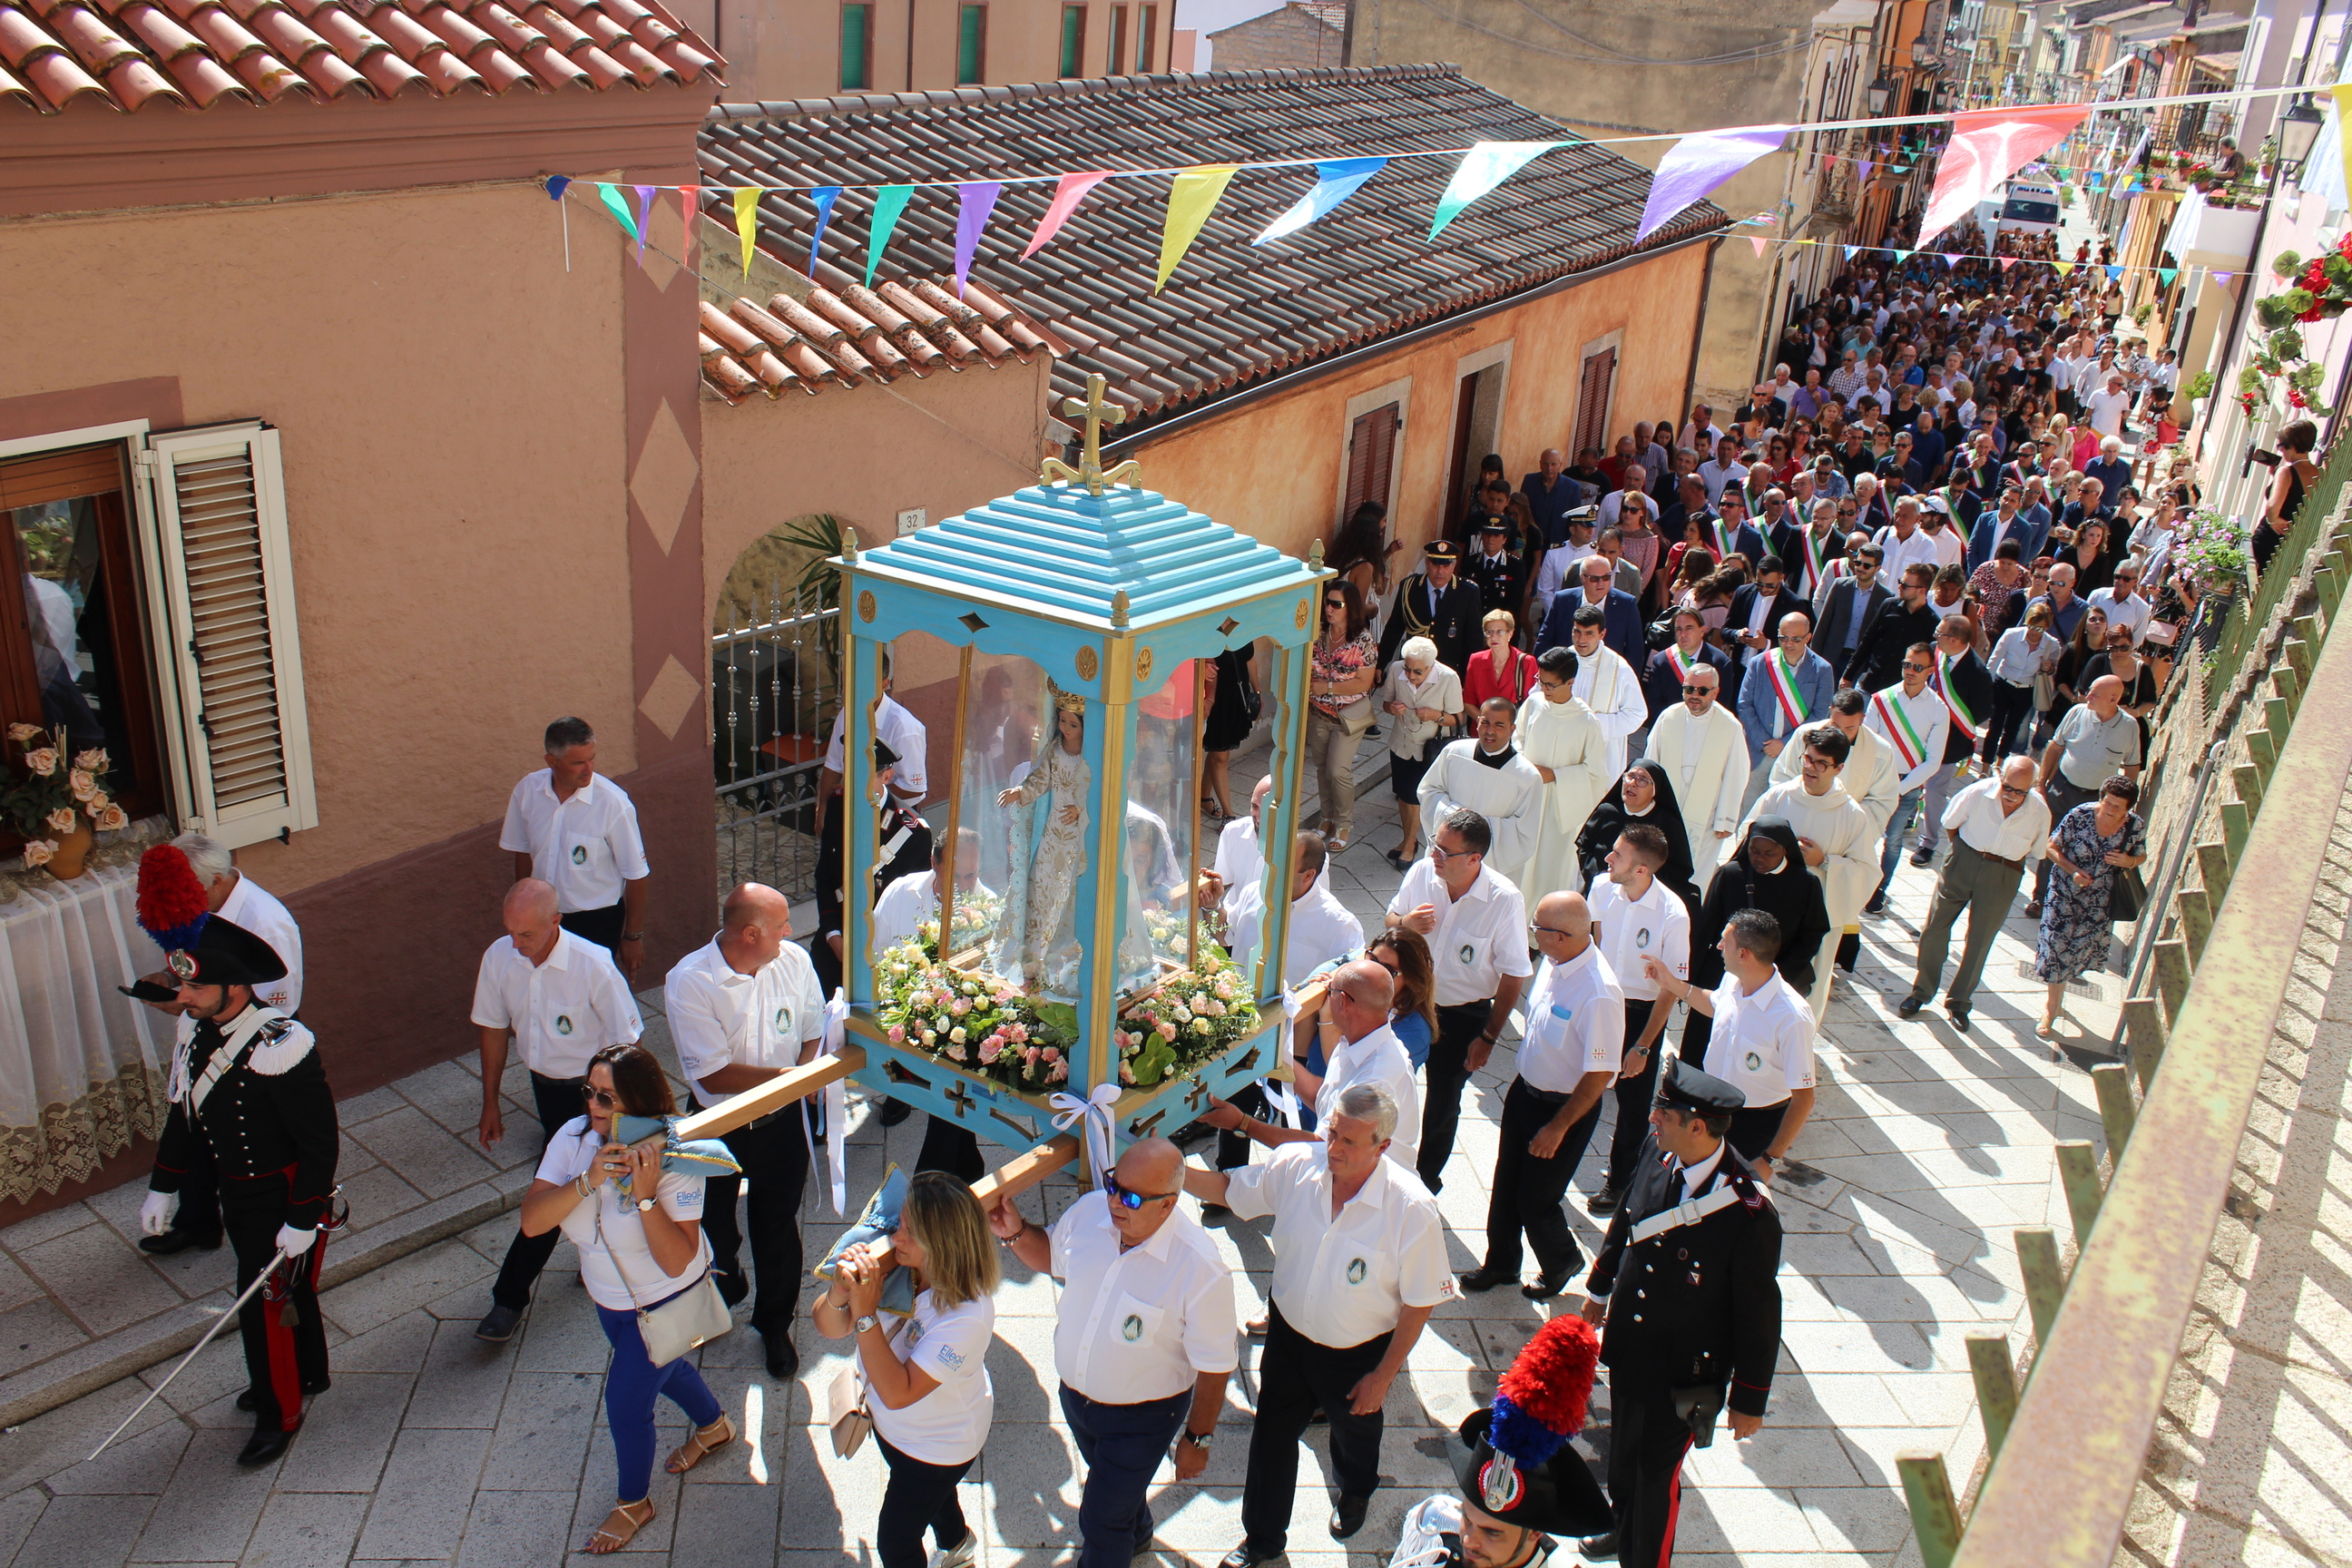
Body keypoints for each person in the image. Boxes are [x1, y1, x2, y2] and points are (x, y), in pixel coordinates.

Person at [1188, 1083, 1451, 1562]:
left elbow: (1420, 1302)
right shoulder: (1297, 1165)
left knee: (1354, 1435)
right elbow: (1231, 1189)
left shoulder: (1411, 1209)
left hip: (1358, 1354)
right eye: (1331, 1133)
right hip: (1288, 1338)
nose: (1332, 1149)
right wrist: (1172, 1174)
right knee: (1271, 1437)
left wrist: (1382, 1377)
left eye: (1349, 1142)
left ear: (1383, 1147)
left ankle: (1356, 1489)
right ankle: (1262, 1539)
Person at [139, 899, 338, 1469]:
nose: (185, 997)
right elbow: (186, 1114)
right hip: (238, 1190)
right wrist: (164, 1185)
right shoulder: (200, 1032)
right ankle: (309, 1374)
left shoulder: (283, 1044)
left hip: (281, 1195)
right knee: (288, 1293)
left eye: (197, 989)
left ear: (235, 988)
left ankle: (280, 1414)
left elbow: (319, 1144)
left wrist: (303, 1217)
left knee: (264, 1305)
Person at [986, 1139, 1236, 1568]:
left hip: (1143, 1418)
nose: (1116, 1202)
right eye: (1113, 1185)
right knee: (1116, 1498)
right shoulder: (1090, 1215)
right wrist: (1015, 1231)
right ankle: (1136, 1532)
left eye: (1133, 1198)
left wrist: (1198, 1438)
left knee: (1101, 1519)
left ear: (1168, 1205)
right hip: (1078, 1401)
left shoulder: (1200, 1269)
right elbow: (1052, 1256)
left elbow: (1215, 1365)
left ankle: (1120, 1536)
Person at [517, 1044, 725, 1554]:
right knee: (668, 1363)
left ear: (638, 1100)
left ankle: (635, 1503)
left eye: (607, 1096)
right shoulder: (572, 1140)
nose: (594, 1104)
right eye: (590, 1091)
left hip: (663, 1299)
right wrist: (588, 1180)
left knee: (627, 1405)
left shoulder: (677, 1154)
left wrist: (648, 1193)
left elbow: (677, 1259)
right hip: (609, 1299)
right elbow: (532, 1221)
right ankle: (715, 1426)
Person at [1575, 1057, 1781, 1568]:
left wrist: (1749, 1400)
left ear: (1696, 1126)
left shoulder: (1748, 1212)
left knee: (1654, 1477)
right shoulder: (1659, 1151)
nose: (1652, 1120)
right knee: (1622, 1459)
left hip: (1685, 1373)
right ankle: (1620, 1527)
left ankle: (1642, 1557)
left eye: (1663, 1114)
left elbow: (1759, 1314)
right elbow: (1626, 1220)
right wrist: (1599, 1292)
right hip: (1631, 1348)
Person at [471, 878, 645, 1343]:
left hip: (594, 1097)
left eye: (526, 934)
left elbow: (630, 1046)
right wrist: (490, 1101)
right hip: (544, 1090)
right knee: (575, 1184)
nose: (516, 943)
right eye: (510, 931)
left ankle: (508, 1298)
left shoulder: (593, 965)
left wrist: (612, 1112)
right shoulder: (499, 957)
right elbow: (492, 1028)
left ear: (555, 922)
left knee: (552, 1193)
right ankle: (593, 1250)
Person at [663, 882, 828, 1377]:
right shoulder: (689, 981)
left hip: (781, 1125)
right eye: (781, 926)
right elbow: (712, 1075)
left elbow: (813, 1030)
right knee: (711, 1217)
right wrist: (790, 1080)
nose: (790, 932)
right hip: (719, 1123)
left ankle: (774, 1326)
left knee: (776, 1229)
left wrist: (803, 1074)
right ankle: (726, 1270)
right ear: (752, 934)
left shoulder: (794, 962)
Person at [130, 831, 304, 1259]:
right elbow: (198, 965)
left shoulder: (267, 922)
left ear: (213, 883)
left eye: (185, 890)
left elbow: (278, 1003)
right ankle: (198, 1223)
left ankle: (264, 1226)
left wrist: (189, 1009)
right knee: (193, 1125)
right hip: (206, 1029)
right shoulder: (202, 909)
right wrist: (172, 981)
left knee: (241, 1139)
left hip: (250, 1045)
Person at [814, 1173, 1001, 1568]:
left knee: (896, 1543)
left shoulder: (968, 1316)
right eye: (900, 1223)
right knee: (933, 1499)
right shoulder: (900, 1264)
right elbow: (828, 1327)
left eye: (910, 1232)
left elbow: (900, 1393)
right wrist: (840, 1292)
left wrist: (865, 1315)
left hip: (937, 1446)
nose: (896, 1237)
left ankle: (955, 1541)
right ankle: (957, 1543)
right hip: (895, 1431)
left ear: (943, 1244)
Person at [1387, 1318, 1614, 1568]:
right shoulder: (1435, 1528)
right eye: (1467, 1518)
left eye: (1492, 1532)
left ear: (1533, 1532)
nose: (1469, 1541)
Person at [1385, 808, 1533, 1192]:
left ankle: (1425, 1180)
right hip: (1409, 1004)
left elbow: (1515, 973)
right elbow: (1390, 918)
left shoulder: (1504, 901)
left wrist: (1488, 1038)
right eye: (1433, 843)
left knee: (1443, 1102)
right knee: (1387, 1082)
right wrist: (1404, 925)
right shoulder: (1422, 874)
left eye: (1444, 851)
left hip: (1463, 1015)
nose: (1433, 854)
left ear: (1473, 859)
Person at [1671, 817, 1831, 1104]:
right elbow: (1706, 927)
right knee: (1701, 1040)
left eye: (1769, 853)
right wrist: (1691, 976)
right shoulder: (1731, 874)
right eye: (1754, 851)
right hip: (1722, 973)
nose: (1759, 859)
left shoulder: (1806, 883)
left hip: (1773, 979)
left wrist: (1775, 973)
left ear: (1785, 850)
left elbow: (1813, 932)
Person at [1643, 908, 1816, 1174]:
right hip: (1710, 1108)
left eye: (1725, 941)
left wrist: (1771, 1159)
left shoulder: (1792, 1016)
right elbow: (1715, 1004)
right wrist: (1671, 983)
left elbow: (1804, 1097)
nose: (1719, 946)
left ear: (1743, 954)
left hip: (1753, 1124)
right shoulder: (1732, 980)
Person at [1213, 957, 1424, 1171]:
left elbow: (1323, 1147)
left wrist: (1241, 1123)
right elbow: (1323, 1098)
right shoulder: (1366, 1038)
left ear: (1342, 1002)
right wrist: (1274, 1054)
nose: (1324, 996)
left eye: (1328, 990)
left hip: (1367, 1194)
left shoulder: (1376, 1080)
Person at [1897, 756, 2052, 1031]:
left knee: (1980, 940)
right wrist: (1966, 854)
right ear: (2000, 776)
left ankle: (1959, 1003)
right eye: (2008, 788)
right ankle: (1921, 992)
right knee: (1934, 928)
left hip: (2004, 872)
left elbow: (2037, 852)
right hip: (1963, 860)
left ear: (2033, 786)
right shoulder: (1978, 792)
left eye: (2021, 792)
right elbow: (1951, 822)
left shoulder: (2040, 812)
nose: (2013, 797)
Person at [1585, 826, 1692, 1216]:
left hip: (1642, 1012)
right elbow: (1594, 939)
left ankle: (1621, 1180)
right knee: (1582, 1081)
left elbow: (1671, 989)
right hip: (1601, 1001)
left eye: (1618, 854)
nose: (1608, 858)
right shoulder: (1600, 888)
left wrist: (1643, 1047)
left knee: (1632, 1103)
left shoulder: (1672, 915)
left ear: (1642, 870)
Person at [1739, 728, 1877, 1021]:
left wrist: (1825, 860)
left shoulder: (1852, 815)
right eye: (1807, 759)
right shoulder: (1779, 796)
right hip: (1768, 908)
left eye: (1821, 763)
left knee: (1802, 991)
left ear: (1839, 768)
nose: (1810, 768)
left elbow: (1866, 872)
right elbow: (1746, 837)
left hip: (1816, 917)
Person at [500, 715, 650, 976]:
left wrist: (632, 937)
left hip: (597, 920)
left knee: (589, 998)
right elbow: (522, 852)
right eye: (578, 762)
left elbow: (636, 875)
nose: (588, 769)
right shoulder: (527, 791)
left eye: (591, 758)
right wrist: (523, 908)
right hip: (543, 917)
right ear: (552, 762)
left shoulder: (613, 803)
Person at [2035, 774, 2148, 1037]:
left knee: (2076, 951)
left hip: (2099, 902)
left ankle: (2058, 998)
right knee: (2055, 950)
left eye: (2117, 806)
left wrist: (2127, 861)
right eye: (2107, 802)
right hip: (2064, 892)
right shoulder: (2080, 815)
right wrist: (2073, 870)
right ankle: (2051, 1009)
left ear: (2128, 808)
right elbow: (2052, 847)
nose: (2109, 809)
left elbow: (2141, 855)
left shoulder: (2135, 826)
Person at [2030, 675, 2141, 914]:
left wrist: (2125, 805)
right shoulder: (2077, 713)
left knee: (2086, 850)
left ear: (2113, 699)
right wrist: (2041, 783)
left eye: (2095, 694)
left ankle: (2072, 900)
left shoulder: (2129, 726)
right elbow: (2055, 746)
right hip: (2063, 788)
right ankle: (2041, 898)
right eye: (2089, 691)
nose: (2088, 696)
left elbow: (2132, 766)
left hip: (2097, 800)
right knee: (2053, 844)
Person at [1514, 646, 1613, 901]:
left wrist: (1556, 775)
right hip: (1528, 798)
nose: (1544, 689)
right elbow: (1518, 737)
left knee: (1549, 868)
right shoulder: (1534, 704)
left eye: (1550, 685)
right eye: (1540, 681)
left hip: (1560, 806)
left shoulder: (1586, 721)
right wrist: (1523, 762)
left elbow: (1596, 774)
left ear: (1570, 682)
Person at [1418, 698, 1546, 889]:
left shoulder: (1527, 776)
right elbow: (1428, 790)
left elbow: (1524, 833)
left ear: (1512, 729)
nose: (1490, 731)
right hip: (1444, 858)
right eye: (1485, 722)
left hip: (1492, 871)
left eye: (1499, 725)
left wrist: (1478, 827)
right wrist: (1452, 814)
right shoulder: (1454, 752)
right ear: (1477, 721)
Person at [1643, 662, 1750, 883]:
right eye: (1689, 689)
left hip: (1706, 819)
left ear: (1715, 692)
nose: (1694, 695)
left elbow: (1737, 774)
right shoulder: (1669, 716)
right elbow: (1650, 761)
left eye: (1702, 691)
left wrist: (1726, 819)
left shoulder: (1729, 725)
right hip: (1666, 810)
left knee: (1693, 878)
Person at [1304, 577, 1382, 853]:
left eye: (1336, 604)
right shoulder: (1318, 633)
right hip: (1318, 714)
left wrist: (1326, 686)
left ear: (1351, 608)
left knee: (1338, 771)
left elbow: (1363, 683)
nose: (1329, 608)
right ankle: (1326, 817)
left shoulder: (1362, 640)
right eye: (1328, 602)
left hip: (1348, 717)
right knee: (1322, 770)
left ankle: (1344, 823)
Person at [1376, 635, 1464, 872]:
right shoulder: (1396, 670)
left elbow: (1458, 718)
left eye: (1418, 671)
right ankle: (1408, 839)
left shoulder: (1448, 677)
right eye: (1408, 668)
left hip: (1428, 749)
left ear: (1431, 666)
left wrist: (1435, 715)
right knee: (1404, 796)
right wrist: (1392, 708)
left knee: (1415, 799)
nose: (1411, 675)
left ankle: (1409, 845)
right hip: (1401, 743)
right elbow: (1385, 704)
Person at [1734, 611, 1835, 814]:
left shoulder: (1822, 669)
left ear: (1808, 637)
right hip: (1759, 751)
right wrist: (1764, 742)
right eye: (1783, 638)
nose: (1788, 644)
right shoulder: (1760, 663)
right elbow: (1744, 704)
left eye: (1796, 639)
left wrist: (1785, 743)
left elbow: (1820, 716)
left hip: (1796, 755)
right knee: (1747, 812)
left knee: (1784, 812)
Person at [1381, 540, 1481, 675]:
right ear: (1427, 564)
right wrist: (1381, 664)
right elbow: (1394, 628)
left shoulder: (1468, 591)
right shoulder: (1410, 587)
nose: (1440, 571)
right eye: (1435, 565)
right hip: (1414, 670)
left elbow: (1473, 638)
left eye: (1446, 566)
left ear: (1454, 566)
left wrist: (1469, 676)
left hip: (1449, 670)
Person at [1536, 557, 1644, 676]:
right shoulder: (1563, 600)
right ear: (1582, 578)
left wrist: (1628, 680)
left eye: (1606, 578)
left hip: (1607, 676)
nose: (1601, 583)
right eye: (1594, 579)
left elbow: (1635, 649)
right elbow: (1545, 639)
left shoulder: (1626, 604)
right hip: (1565, 675)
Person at [1843, 561, 1940, 690]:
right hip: (1869, 683)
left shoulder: (1932, 622)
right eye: (1900, 582)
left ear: (1921, 591)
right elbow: (1867, 642)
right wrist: (1848, 675)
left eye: (1905, 585)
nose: (1899, 587)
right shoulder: (1888, 606)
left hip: (1897, 693)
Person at [1984, 602, 2060, 764]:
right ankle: (1985, 766)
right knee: (1995, 726)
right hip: (2002, 684)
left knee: (2013, 728)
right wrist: (1986, 686)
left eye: (2040, 629)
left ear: (2047, 627)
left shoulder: (2052, 644)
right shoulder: (2011, 635)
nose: (2034, 632)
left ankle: (2000, 763)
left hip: (2026, 690)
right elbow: (1994, 661)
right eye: (2031, 626)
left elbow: (2053, 669)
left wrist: (2049, 667)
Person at [1812, 542, 1892, 678]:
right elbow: (1823, 625)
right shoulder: (1840, 586)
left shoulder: (1885, 597)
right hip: (1833, 657)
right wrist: (1813, 658)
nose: (1860, 568)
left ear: (1877, 568)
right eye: (1858, 563)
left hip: (1860, 664)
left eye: (1866, 565)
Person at [1642, 606, 1737, 720]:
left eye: (1689, 628)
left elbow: (1721, 706)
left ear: (1702, 631)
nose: (1683, 634)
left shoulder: (1720, 663)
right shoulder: (1662, 660)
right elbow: (1653, 702)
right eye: (1679, 629)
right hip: (1669, 724)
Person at [2257, 418, 2321, 579]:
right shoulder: (2318, 473)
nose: (2280, 452)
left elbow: (2273, 508)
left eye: (2280, 447)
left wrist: (2274, 520)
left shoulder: (2286, 472)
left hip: (2267, 540)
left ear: (2291, 447)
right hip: (2291, 544)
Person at [1200, 643, 1258, 819]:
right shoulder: (1207, 627)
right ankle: (1229, 815)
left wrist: (1257, 691)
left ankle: (1203, 797)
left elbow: (1250, 659)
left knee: (1218, 751)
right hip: (1214, 698)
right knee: (1220, 756)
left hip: (1237, 696)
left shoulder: (1242, 624)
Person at [1463, 608, 1538, 707]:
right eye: (1490, 632)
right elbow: (1468, 701)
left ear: (1510, 634)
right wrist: (1483, 720)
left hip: (1515, 721)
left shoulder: (1527, 662)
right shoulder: (1476, 660)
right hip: (1481, 720)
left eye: (1499, 632)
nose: (1494, 637)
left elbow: (1532, 701)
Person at [1522, 447, 1585, 544]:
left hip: (1558, 543)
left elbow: (1575, 520)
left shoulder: (1572, 488)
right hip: (1530, 542)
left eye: (1553, 464)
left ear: (1560, 465)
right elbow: (1522, 511)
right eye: (1545, 464)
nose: (1549, 468)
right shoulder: (1529, 481)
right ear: (1540, 464)